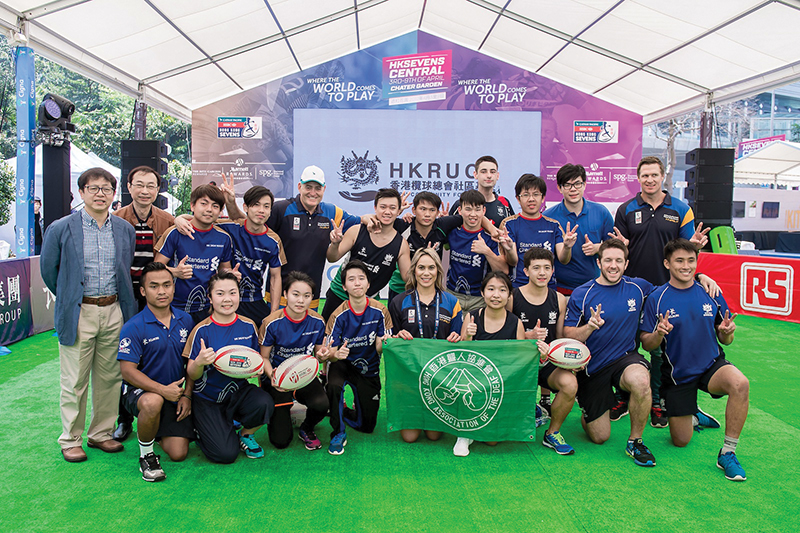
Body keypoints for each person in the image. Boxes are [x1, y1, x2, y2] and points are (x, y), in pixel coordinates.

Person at [41, 167, 137, 463]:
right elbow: (49, 271)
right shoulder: (61, 228)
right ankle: (70, 438)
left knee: (109, 377)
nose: (100, 194)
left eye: (106, 188)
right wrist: (70, 295)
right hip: (79, 309)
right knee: (74, 379)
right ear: (81, 193)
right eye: (93, 188)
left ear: (113, 194)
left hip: (114, 310)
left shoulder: (124, 229)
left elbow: (125, 267)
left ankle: (100, 433)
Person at [613, 156, 711, 428]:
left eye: (654, 175)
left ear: (662, 176)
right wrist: (621, 246)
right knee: (627, 344)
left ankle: (658, 401)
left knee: (660, 349)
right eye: (644, 175)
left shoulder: (680, 208)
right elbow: (619, 252)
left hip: (667, 291)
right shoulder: (626, 209)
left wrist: (694, 247)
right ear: (638, 178)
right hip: (631, 289)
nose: (649, 180)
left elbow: (687, 254)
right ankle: (623, 396)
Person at [640, 239, 749, 481]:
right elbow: (647, 343)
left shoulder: (710, 292)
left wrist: (727, 333)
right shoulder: (657, 298)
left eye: (691, 261)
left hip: (711, 366)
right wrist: (658, 333)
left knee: (740, 384)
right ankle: (694, 415)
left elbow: (725, 337)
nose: (686, 266)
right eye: (679, 261)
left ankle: (728, 453)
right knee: (680, 441)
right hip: (679, 376)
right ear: (667, 263)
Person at [112, 165, 191, 442]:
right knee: (127, 357)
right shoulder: (116, 219)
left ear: (158, 190)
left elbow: (204, 221)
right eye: (139, 185)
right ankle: (123, 418)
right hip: (124, 298)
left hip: (157, 295)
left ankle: (163, 409)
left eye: (151, 186)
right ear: (129, 187)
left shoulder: (168, 220)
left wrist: (181, 216)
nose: (145, 191)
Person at [563, 239, 657, 467]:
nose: (613, 265)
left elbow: (670, 289)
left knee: (641, 381)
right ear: (599, 262)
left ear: (626, 264)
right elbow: (567, 334)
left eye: (618, 261)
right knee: (599, 436)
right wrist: (590, 327)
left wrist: (702, 277)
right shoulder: (582, 294)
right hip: (593, 368)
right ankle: (594, 408)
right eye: (608, 260)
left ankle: (635, 441)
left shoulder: (638, 288)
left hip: (626, 358)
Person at [244, 166, 364, 312]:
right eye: (308, 187)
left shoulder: (332, 212)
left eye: (317, 188)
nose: (312, 193)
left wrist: (374, 220)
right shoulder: (280, 209)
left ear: (324, 189)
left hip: (310, 297)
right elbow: (251, 225)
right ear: (299, 186)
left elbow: (361, 221)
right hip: (280, 296)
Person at [184, 272, 274, 463]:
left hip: (237, 393)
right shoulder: (201, 329)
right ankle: (205, 431)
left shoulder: (248, 325)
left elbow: (254, 360)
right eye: (220, 294)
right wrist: (199, 362)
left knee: (264, 401)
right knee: (226, 455)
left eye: (232, 293)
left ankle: (245, 434)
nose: (227, 299)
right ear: (210, 297)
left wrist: (256, 370)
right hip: (208, 398)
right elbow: (191, 373)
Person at [116, 262, 195, 482]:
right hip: (141, 392)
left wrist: (187, 395)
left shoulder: (186, 320)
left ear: (173, 287)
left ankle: (155, 428)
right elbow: (127, 371)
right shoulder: (133, 326)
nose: (162, 291)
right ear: (143, 291)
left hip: (175, 395)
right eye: (154, 286)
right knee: (152, 403)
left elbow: (191, 363)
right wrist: (162, 391)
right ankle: (147, 456)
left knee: (179, 453)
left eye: (167, 285)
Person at [389, 248, 464, 444]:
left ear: (438, 271)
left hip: (441, 376)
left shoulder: (452, 301)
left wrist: (458, 337)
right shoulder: (399, 301)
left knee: (433, 435)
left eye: (431, 268)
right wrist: (397, 337)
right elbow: (392, 342)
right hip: (410, 374)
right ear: (414, 271)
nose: (426, 273)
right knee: (409, 437)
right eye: (421, 268)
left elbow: (459, 341)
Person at [507, 248, 577, 455]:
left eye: (547, 268)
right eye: (536, 268)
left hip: (547, 362)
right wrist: (526, 337)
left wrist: (571, 359)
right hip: (519, 363)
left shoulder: (559, 299)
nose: (542, 272)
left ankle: (552, 432)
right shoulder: (512, 297)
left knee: (570, 384)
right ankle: (528, 410)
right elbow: (504, 335)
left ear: (553, 271)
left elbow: (561, 337)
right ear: (526, 271)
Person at [324, 260, 392, 455]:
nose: (357, 283)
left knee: (367, 426)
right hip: (342, 364)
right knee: (334, 386)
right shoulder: (338, 315)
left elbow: (380, 348)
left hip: (368, 368)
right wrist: (336, 354)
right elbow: (329, 352)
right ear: (344, 286)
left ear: (368, 284)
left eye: (361, 278)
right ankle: (338, 432)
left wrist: (383, 342)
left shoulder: (380, 311)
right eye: (351, 279)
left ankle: (344, 411)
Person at [456, 271, 525, 456]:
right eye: (491, 289)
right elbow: (461, 356)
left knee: (492, 441)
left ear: (509, 295)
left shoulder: (516, 323)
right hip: (473, 381)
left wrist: (539, 352)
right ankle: (464, 433)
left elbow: (522, 360)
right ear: (482, 292)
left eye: (502, 290)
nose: (496, 295)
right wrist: (468, 336)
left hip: (500, 383)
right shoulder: (471, 317)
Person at [259, 271, 329, 451]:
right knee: (281, 441)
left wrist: (323, 355)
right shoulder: (271, 323)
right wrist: (272, 376)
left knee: (322, 404)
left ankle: (306, 428)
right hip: (277, 379)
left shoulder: (317, 322)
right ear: (285, 295)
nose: (300, 301)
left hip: (303, 374)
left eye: (306, 296)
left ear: (312, 298)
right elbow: (264, 357)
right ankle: (283, 411)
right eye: (295, 294)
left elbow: (318, 350)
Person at [322, 188, 411, 321]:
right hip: (340, 294)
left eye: (392, 208)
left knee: (363, 341)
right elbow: (332, 257)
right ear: (375, 208)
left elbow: (408, 278)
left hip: (368, 300)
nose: (387, 211)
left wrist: (425, 261)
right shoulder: (356, 230)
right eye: (383, 207)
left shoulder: (401, 245)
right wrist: (334, 244)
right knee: (326, 338)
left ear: (399, 211)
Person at [154, 184, 237, 324]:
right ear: (192, 206)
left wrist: (231, 275)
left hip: (209, 309)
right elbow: (154, 269)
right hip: (174, 308)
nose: (209, 209)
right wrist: (174, 272)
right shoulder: (175, 233)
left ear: (221, 211)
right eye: (203, 204)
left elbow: (224, 270)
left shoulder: (224, 238)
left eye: (215, 206)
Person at [216, 186, 286, 326]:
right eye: (256, 205)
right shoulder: (231, 227)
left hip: (254, 300)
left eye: (266, 206)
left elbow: (275, 277)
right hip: (225, 299)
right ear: (246, 207)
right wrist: (179, 219)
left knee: (261, 343)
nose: (261, 210)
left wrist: (273, 313)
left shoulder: (273, 240)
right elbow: (200, 222)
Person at [543, 164, 614, 295]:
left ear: (584, 184)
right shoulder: (548, 217)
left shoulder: (601, 212)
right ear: (559, 188)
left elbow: (614, 248)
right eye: (567, 185)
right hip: (559, 289)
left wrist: (598, 247)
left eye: (577, 184)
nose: (573, 189)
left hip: (594, 288)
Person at [501, 174, 578, 289]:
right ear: (518, 198)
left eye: (536, 194)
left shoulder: (554, 225)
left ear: (543, 198)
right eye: (526, 195)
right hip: (519, 288)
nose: (531, 199)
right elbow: (512, 261)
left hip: (547, 288)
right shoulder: (508, 224)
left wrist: (567, 247)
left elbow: (563, 259)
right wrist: (510, 249)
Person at [387, 192, 461, 302]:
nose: (427, 214)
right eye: (423, 209)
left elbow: (471, 217)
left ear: (437, 212)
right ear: (413, 210)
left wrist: (492, 229)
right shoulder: (403, 225)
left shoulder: (443, 225)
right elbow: (378, 220)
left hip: (429, 288)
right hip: (400, 287)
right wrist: (397, 211)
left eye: (432, 210)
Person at [446, 189, 511, 313]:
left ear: (484, 211)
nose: (473, 214)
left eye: (477, 209)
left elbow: (504, 270)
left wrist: (487, 251)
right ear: (460, 210)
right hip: (452, 295)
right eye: (468, 209)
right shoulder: (452, 232)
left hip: (479, 298)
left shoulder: (491, 237)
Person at [448, 155, 514, 226]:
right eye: (483, 172)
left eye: (492, 172)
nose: (489, 175)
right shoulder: (462, 203)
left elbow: (512, 230)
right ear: (475, 174)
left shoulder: (505, 203)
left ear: (497, 176)